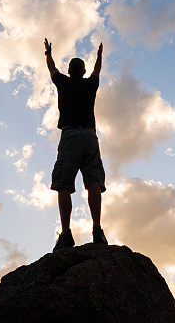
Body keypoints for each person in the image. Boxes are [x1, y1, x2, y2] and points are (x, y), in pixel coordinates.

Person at [45, 37, 107, 250]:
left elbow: (52, 69)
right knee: (94, 183)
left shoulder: (63, 82)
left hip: (70, 136)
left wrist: (49, 55)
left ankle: (66, 234)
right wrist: (99, 57)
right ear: (83, 71)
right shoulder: (91, 85)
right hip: (90, 136)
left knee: (63, 184)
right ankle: (97, 229)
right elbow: (97, 71)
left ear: (69, 71)